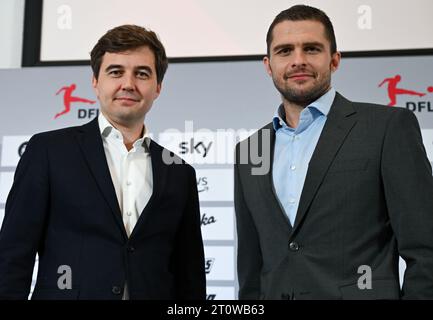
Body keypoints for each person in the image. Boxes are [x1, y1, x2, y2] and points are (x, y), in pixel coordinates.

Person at [234, 5, 433, 300]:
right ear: (268, 64)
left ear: (335, 60)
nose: (298, 61)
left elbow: (426, 250)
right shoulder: (250, 149)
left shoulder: (387, 128)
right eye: (285, 51)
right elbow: (251, 269)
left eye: (312, 49)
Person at [0, 25, 206, 300]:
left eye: (142, 74)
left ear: (157, 87)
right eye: (116, 72)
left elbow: (189, 276)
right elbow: (13, 256)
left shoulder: (179, 172)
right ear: (95, 82)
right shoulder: (48, 151)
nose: (128, 84)